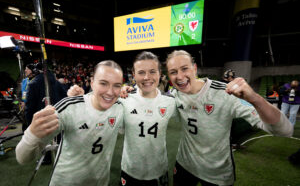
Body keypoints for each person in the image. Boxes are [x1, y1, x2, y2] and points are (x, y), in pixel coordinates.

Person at [165, 50, 293, 186]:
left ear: (194, 68)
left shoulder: (225, 93)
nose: (179, 76)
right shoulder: (174, 94)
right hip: (184, 165)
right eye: (173, 72)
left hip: (217, 173)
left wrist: (256, 99)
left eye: (184, 69)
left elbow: (285, 130)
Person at [68, 52, 177, 186]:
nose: (147, 77)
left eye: (152, 71)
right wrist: (79, 96)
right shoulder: (123, 99)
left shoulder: (170, 102)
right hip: (130, 171)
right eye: (141, 72)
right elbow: (98, 99)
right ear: (134, 74)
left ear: (160, 73)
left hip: (159, 171)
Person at [16, 60, 124, 186]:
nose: (110, 92)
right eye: (103, 83)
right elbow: (22, 157)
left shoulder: (120, 107)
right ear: (92, 82)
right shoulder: (69, 106)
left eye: (117, 85)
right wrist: (31, 135)